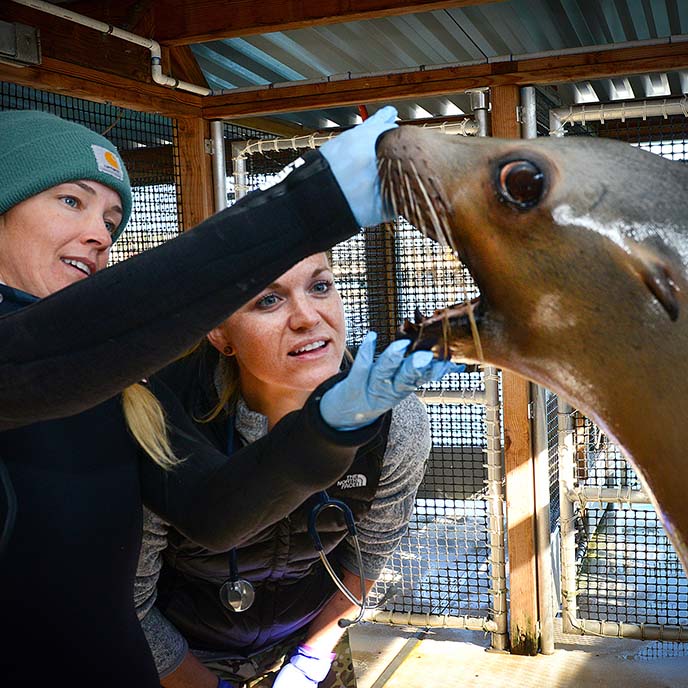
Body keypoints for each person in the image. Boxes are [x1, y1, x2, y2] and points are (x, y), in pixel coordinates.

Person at [0, 106, 452, 687]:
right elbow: (45, 355)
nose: (99, 233)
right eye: (71, 200)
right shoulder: (44, 364)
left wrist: (330, 429)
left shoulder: (122, 391)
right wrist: (312, 203)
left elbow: (215, 514)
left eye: (112, 219)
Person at [135, 252, 464, 688]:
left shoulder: (395, 419)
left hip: (310, 641)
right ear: (219, 332)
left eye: (320, 286)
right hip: (176, 656)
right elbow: (129, 601)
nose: (308, 317)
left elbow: (369, 554)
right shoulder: (161, 419)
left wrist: (311, 659)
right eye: (268, 301)